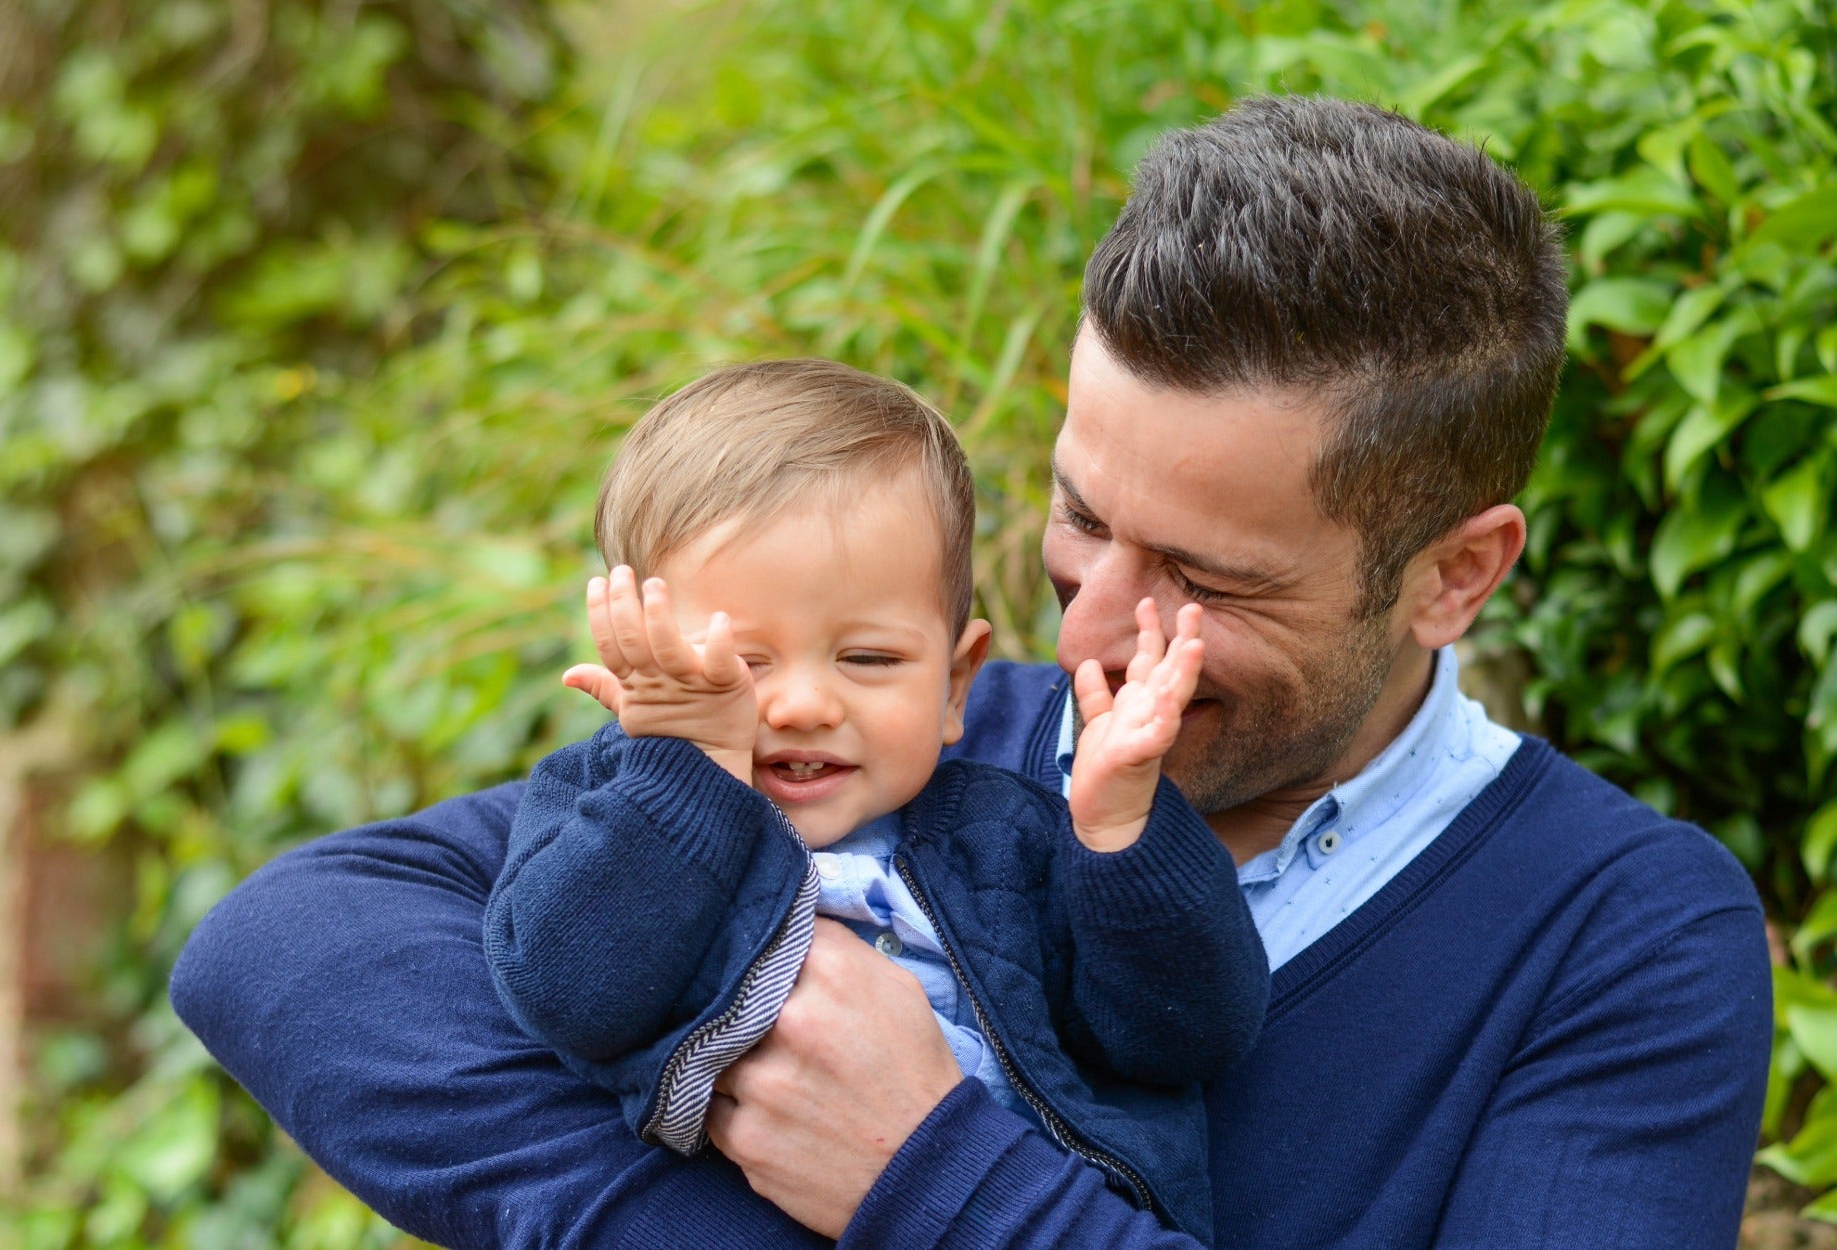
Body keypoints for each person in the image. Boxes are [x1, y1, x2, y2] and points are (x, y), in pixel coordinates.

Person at [171, 96, 1773, 1250]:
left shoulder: (1621, 939)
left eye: (1207, 580)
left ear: (1456, 573)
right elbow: (293, 946)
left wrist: (921, 1175)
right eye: (1083, 515)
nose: (1086, 634)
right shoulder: (915, 747)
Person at [482, 359, 1267, 1242]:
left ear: (955, 685)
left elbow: (1187, 1037)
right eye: (736, 665)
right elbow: (570, 997)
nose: (805, 705)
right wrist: (689, 765)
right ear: (638, 659)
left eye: (870, 660)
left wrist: (1123, 831)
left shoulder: (1010, 837)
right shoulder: (606, 806)